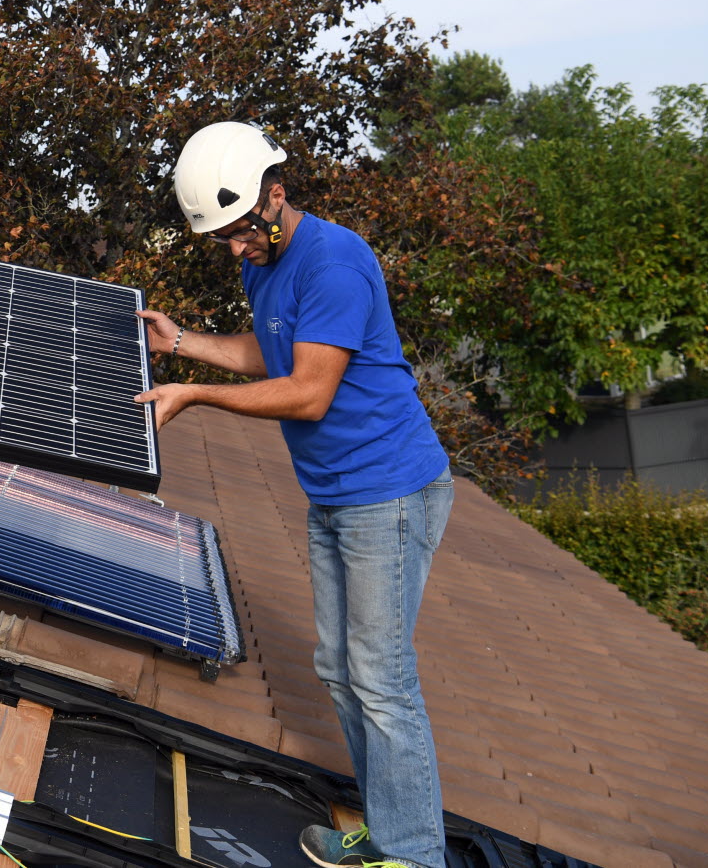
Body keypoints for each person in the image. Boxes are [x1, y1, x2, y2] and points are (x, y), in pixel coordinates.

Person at [135, 121, 452, 868]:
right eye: (223, 239)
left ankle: (416, 856)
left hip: (389, 490)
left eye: (242, 232)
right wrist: (182, 343)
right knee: (340, 668)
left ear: (275, 196)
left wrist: (195, 394)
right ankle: (388, 832)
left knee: (381, 676)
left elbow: (309, 392)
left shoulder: (334, 262)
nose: (235, 249)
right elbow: (273, 349)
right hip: (335, 492)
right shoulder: (264, 262)